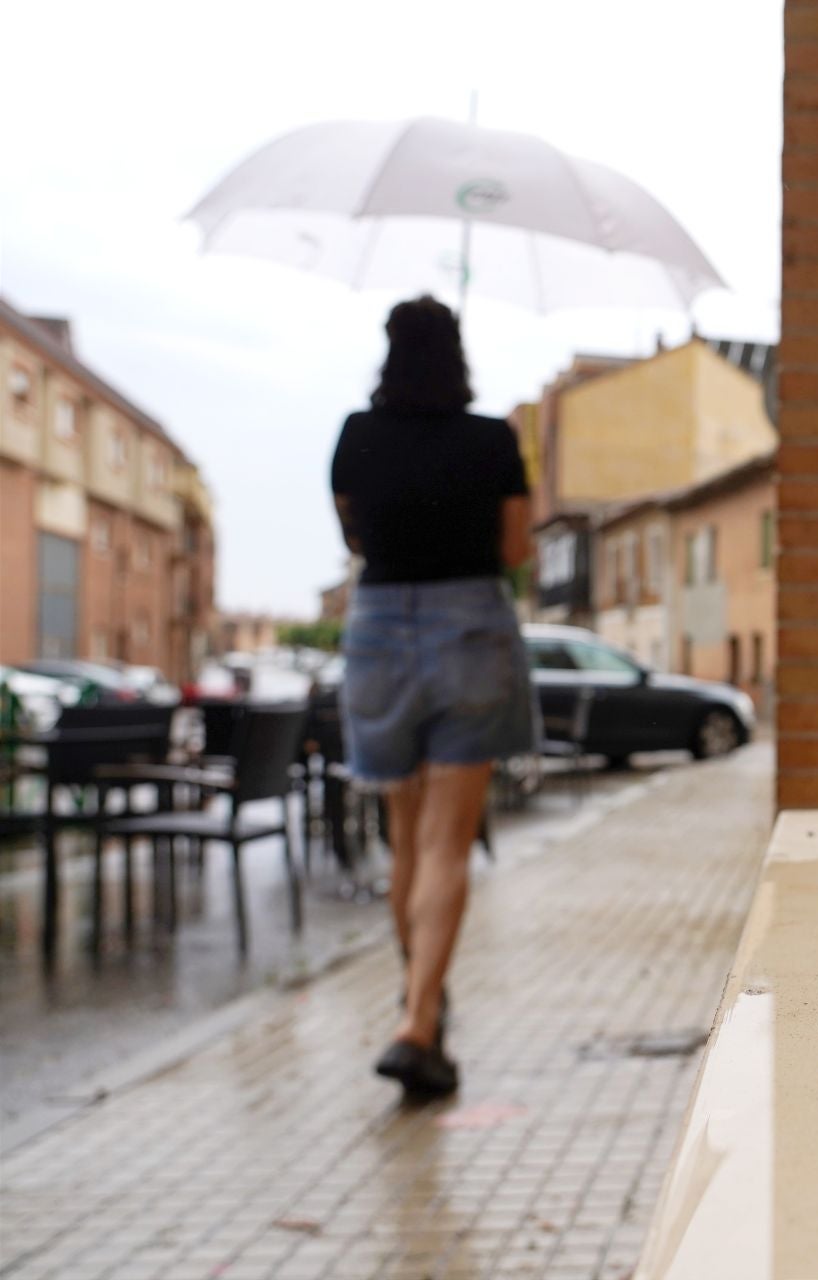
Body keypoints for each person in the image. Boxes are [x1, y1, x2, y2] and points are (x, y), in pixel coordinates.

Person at [331, 296, 534, 1098]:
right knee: (449, 844)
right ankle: (419, 1021)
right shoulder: (493, 441)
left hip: (379, 630)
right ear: (458, 355)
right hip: (470, 632)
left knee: (405, 840)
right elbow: (516, 549)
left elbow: (353, 537)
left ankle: (419, 1000)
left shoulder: (356, 436)